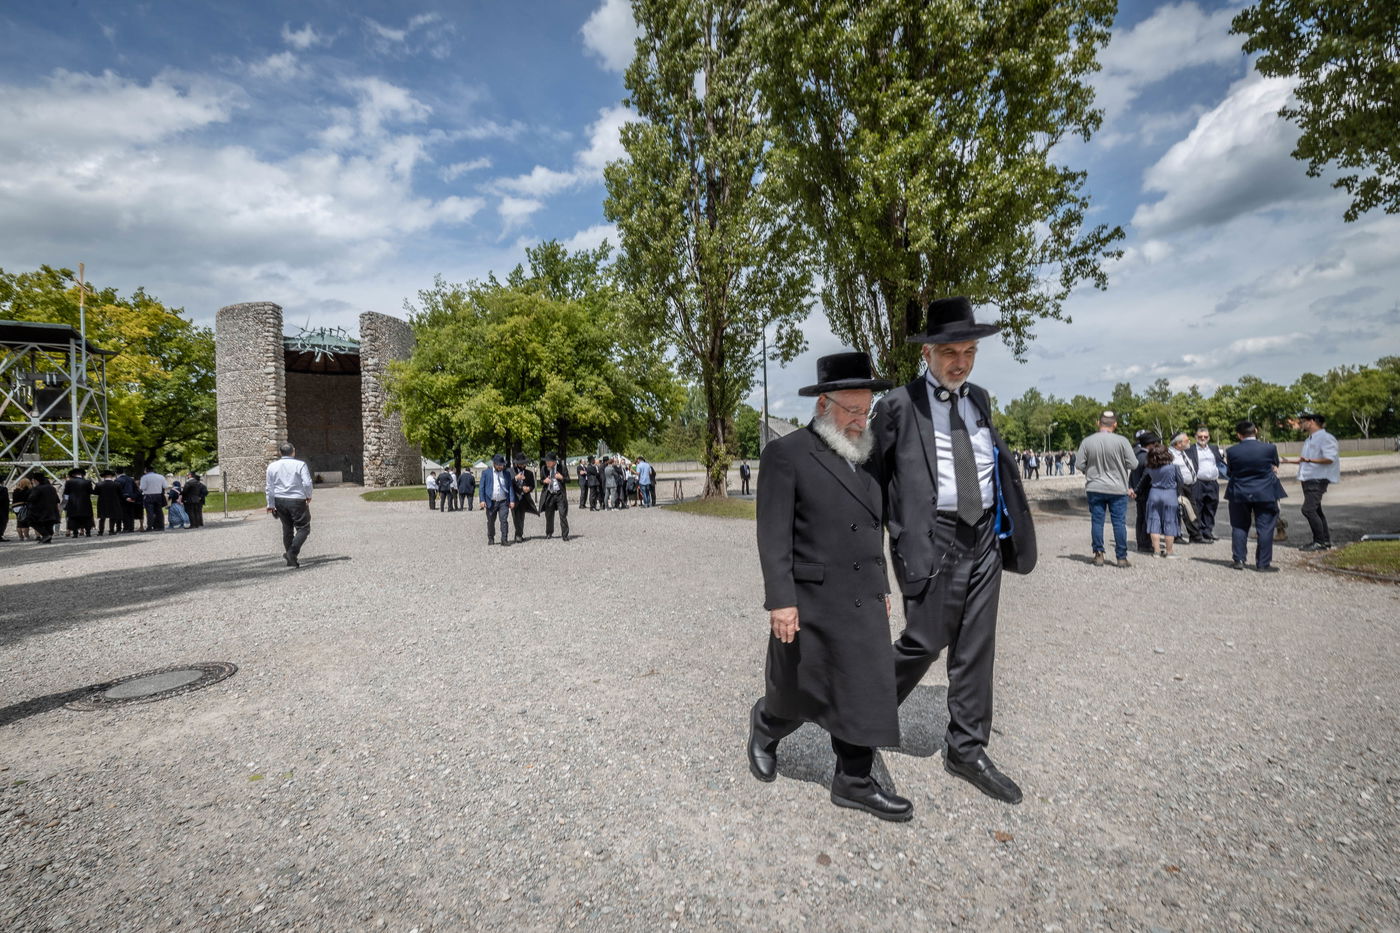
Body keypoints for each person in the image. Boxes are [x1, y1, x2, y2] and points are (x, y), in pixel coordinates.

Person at [873, 297, 1037, 805]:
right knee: (924, 641)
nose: (960, 362)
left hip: (984, 534)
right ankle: (862, 713)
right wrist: (872, 564)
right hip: (933, 536)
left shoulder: (980, 398)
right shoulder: (897, 406)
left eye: (969, 352)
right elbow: (871, 487)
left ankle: (966, 747)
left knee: (976, 646)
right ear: (926, 353)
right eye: (950, 352)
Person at [749, 351, 911, 820]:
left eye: (866, 410)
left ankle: (853, 780)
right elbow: (772, 536)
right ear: (824, 405)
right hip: (811, 601)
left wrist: (882, 588)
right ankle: (765, 725)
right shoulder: (787, 454)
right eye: (852, 411)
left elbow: (873, 530)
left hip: (861, 597)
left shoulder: (868, 456)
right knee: (797, 694)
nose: (861, 421)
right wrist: (781, 601)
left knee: (863, 688)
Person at [1076, 411, 1138, 567]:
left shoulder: (1087, 441)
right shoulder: (1122, 441)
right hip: (1117, 488)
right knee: (1119, 523)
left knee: (1097, 521)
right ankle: (1121, 557)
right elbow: (1134, 464)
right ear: (1115, 424)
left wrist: (1089, 470)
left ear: (1098, 423)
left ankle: (1098, 554)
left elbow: (1078, 464)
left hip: (1095, 487)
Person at [1224, 421, 1287, 572]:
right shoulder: (1269, 448)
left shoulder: (1232, 451)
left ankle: (1239, 559)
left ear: (1238, 435)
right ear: (1256, 431)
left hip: (1239, 491)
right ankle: (1263, 563)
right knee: (1265, 527)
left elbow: (1230, 471)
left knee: (1239, 525)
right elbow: (1275, 464)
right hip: (1265, 491)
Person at [1286, 412, 1339, 551]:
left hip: (1318, 478)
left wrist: (1309, 460)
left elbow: (1329, 459)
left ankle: (1319, 542)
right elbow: (1304, 460)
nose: (1301, 424)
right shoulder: (1310, 439)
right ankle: (1325, 541)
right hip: (1309, 478)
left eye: (1303, 421)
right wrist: (1285, 461)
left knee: (1308, 510)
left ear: (1312, 422)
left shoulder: (1326, 438)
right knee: (1316, 510)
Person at [265, 442, 313, 568]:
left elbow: (269, 487)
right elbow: (307, 483)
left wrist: (270, 504)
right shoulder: (300, 465)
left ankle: (291, 559)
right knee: (304, 528)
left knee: (287, 529)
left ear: (280, 453)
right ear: (294, 451)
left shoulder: (272, 466)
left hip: (279, 500)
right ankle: (292, 553)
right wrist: (308, 495)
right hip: (297, 499)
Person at [1184, 427, 1226, 542]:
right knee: (1197, 508)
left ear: (1209, 437)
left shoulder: (1214, 448)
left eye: (1205, 436)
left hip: (1212, 482)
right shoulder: (1190, 450)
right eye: (1200, 436)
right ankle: (1197, 534)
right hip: (1198, 482)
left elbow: (1220, 463)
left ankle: (1207, 531)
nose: (1203, 438)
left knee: (1211, 507)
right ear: (1196, 437)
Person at [1143, 442, 1181, 558]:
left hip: (1154, 493)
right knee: (1170, 522)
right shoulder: (1174, 468)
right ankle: (1169, 551)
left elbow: (1144, 481)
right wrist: (1177, 493)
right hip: (1170, 494)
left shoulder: (1150, 468)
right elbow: (1181, 482)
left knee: (1154, 522)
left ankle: (1156, 551)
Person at [1169, 433, 1201, 544]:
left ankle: (1195, 535)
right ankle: (1176, 535)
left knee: (1192, 510)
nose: (1189, 442)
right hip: (1177, 487)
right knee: (1179, 510)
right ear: (1178, 443)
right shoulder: (1170, 454)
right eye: (1187, 440)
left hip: (1189, 486)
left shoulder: (1183, 452)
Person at [479, 454, 516, 545]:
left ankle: (504, 539)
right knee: (491, 521)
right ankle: (491, 538)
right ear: (494, 464)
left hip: (503, 501)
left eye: (502, 465)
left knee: (504, 521)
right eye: (499, 465)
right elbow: (481, 488)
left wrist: (512, 500)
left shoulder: (507, 473)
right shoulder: (486, 473)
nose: (501, 467)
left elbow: (510, 487)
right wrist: (482, 500)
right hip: (491, 502)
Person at [538, 452, 571, 541]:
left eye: (548, 462)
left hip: (559, 494)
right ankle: (549, 532)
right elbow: (541, 481)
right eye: (546, 462)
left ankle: (565, 535)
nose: (547, 464)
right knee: (549, 515)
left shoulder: (562, 467)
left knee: (562, 514)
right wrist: (544, 481)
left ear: (554, 462)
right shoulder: (544, 468)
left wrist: (562, 478)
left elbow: (568, 480)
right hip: (549, 494)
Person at [28, 474, 62, 543]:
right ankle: (47, 539)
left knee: (32, 522)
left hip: (40, 510)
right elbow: (57, 499)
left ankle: (46, 535)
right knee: (49, 524)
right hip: (52, 509)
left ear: (36, 481)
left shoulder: (37, 488)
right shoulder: (52, 488)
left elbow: (31, 498)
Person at [511, 455, 537, 541]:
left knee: (521, 517)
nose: (523, 465)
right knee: (515, 517)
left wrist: (528, 488)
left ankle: (519, 535)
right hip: (514, 498)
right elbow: (508, 484)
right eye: (521, 464)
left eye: (524, 463)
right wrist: (516, 478)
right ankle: (518, 534)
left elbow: (532, 485)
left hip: (524, 498)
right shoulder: (510, 471)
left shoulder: (529, 473)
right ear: (517, 464)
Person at [63, 468, 95, 537]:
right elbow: (91, 492)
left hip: (73, 503)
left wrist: (67, 502)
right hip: (85, 503)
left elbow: (66, 494)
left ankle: (75, 533)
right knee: (87, 517)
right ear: (82, 474)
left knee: (74, 518)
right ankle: (88, 532)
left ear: (73, 474)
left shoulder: (69, 482)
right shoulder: (87, 482)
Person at [95, 469, 124, 535]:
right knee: (113, 517)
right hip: (113, 502)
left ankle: (101, 531)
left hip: (102, 503)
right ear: (111, 476)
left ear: (104, 476)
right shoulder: (117, 484)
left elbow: (96, 493)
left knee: (102, 518)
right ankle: (111, 531)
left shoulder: (99, 484)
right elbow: (120, 494)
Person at [139, 466, 166, 531]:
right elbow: (165, 486)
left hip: (148, 495)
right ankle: (161, 526)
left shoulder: (144, 477)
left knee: (150, 512)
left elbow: (143, 487)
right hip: (158, 495)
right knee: (159, 511)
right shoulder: (161, 476)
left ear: (146, 470)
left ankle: (150, 527)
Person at [116, 468, 139, 533]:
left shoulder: (117, 480)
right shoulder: (131, 479)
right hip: (131, 499)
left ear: (116, 473)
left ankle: (126, 528)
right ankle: (131, 528)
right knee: (131, 513)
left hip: (122, 499)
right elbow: (136, 490)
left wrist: (125, 497)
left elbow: (118, 491)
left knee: (124, 514)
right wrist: (133, 497)